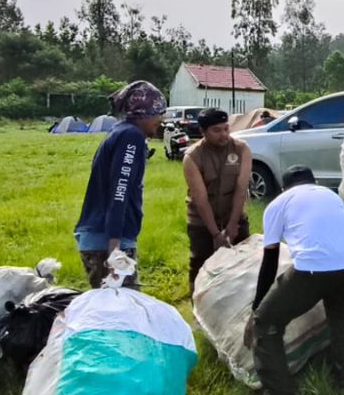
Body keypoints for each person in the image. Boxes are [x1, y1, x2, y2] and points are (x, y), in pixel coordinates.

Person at [245, 165, 344, 395]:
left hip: (315, 269)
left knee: (266, 325)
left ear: (283, 187)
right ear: (312, 181)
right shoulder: (329, 195)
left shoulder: (278, 203)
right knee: (339, 309)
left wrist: (258, 309)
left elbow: (269, 261)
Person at [73, 80, 165, 289]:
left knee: (118, 310)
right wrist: (115, 249)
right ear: (144, 113)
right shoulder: (131, 137)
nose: (161, 119)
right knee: (122, 313)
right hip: (108, 241)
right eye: (158, 113)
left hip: (103, 238)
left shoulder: (120, 132)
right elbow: (119, 190)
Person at [183, 108, 252, 291]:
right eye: (216, 130)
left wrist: (232, 224)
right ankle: (197, 308)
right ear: (203, 132)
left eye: (226, 129)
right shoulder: (192, 157)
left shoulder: (241, 149)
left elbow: (241, 189)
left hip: (234, 216)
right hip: (202, 220)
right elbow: (201, 198)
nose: (223, 135)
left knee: (244, 264)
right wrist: (215, 234)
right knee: (200, 265)